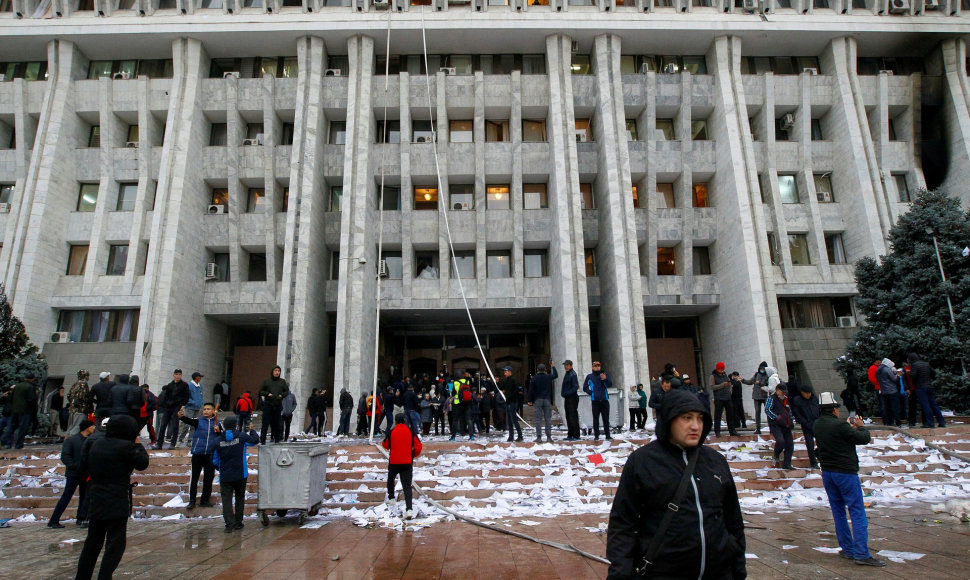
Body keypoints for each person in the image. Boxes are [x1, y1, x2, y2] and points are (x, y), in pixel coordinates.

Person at [606, 389, 746, 579]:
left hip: (718, 572)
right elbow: (622, 524)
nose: (695, 426)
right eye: (687, 418)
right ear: (669, 420)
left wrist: (737, 569)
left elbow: (733, 521)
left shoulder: (715, 461)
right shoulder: (643, 461)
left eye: (700, 418)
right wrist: (621, 573)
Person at [814, 391, 886, 567]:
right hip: (845, 472)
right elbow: (863, 438)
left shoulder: (817, 425)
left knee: (838, 512)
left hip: (828, 472)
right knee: (856, 511)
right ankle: (861, 553)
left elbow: (834, 439)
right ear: (833, 410)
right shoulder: (840, 426)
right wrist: (860, 427)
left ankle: (847, 548)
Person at [74, 414, 150, 580]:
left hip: (96, 497)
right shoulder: (126, 447)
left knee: (92, 542)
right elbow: (142, 463)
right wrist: (138, 444)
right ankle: (104, 576)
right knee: (115, 544)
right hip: (117, 499)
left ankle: (82, 576)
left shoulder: (96, 444)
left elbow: (83, 467)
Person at [212, 415, 259, 533]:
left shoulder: (218, 440)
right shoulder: (241, 437)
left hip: (225, 475)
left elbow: (215, 459)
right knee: (239, 497)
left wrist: (219, 468)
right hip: (240, 473)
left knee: (226, 499)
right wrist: (252, 430)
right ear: (236, 425)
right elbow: (254, 440)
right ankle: (238, 522)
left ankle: (229, 524)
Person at [48, 419, 96, 528]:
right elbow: (65, 456)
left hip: (85, 473)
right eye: (93, 426)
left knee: (84, 497)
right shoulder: (72, 440)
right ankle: (54, 520)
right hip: (74, 473)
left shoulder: (89, 440)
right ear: (87, 427)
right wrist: (75, 466)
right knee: (67, 496)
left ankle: (81, 518)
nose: (94, 428)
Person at [178, 402, 221, 509]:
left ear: (213, 411)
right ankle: (192, 500)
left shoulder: (217, 423)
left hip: (210, 454)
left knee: (208, 478)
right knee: (194, 478)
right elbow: (188, 420)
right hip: (198, 453)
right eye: (204, 409)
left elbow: (222, 437)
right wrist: (181, 416)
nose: (206, 411)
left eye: (208, 409)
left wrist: (218, 431)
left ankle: (204, 500)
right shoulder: (198, 421)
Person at [381, 412, 423, 519]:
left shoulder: (391, 432)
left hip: (394, 461)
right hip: (407, 462)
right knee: (407, 486)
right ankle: (409, 509)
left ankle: (391, 498)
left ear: (395, 421)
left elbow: (385, 444)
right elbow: (418, 446)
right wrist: (413, 454)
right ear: (405, 421)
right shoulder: (410, 431)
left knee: (391, 479)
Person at [907, 353, 946, 428]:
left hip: (921, 387)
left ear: (910, 359)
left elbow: (913, 376)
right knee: (934, 404)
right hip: (929, 386)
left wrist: (909, 373)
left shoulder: (914, 365)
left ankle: (930, 423)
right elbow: (934, 373)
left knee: (925, 405)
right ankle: (942, 422)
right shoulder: (926, 364)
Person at [155, 369, 189, 450]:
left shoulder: (184, 385)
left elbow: (186, 396)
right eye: (176, 374)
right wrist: (165, 405)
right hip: (168, 407)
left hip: (177, 407)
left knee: (175, 426)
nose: (178, 376)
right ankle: (159, 444)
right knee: (163, 426)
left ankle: (172, 444)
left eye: (179, 374)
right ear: (174, 375)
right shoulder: (170, 385)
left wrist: (183, 405)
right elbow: (166, 396)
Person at [765, 383, 794, 470]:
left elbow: (789, 411)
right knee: (780, 441)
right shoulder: (771, 398)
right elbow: (767, 409)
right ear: (777, 391)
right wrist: (777, 417)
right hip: (776, 425)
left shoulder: (786, 399)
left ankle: (787, 464)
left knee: (790, 445)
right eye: (782, 392)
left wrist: (791, 421)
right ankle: (776, 454)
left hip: (786, 425)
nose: (784, 394)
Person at [791, 384, 821, 470]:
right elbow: (797, 413)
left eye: (809, 393)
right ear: (802, 393)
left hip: (817, 424)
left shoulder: (814, 399)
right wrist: (804, 422)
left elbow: (819, 410)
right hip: (806, 425)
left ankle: (820, 458)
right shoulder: (797, 400)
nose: (808, 395)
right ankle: (813, 462)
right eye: (806, 393)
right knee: (810, 444)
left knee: (821, 443)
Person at [528, 362, 558, 443]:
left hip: (538, 400)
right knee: (548, 419)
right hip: (547, 399)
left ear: (537, 370)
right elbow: (556, 375)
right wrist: (553, 366)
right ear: (545, 370)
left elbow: (531, 390)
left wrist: (529, 400)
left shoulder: (534, 378)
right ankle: (548, 437)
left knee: (538, 419)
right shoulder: (548, 377)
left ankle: (539, 437)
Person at [258, 366, 288, 444]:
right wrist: (267, 394)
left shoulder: (282, 382)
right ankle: (263, 440)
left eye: (278, 371)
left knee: (277, 424)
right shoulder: (267, 381)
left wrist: (282, 395)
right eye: (275, 370)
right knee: (265, 424)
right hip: (268, 405)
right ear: (272, 371)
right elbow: (260, 391)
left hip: (278, 405)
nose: (277, 372)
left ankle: (277, 440)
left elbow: (286, 391)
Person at [583, 361, 612, 441]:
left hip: (604, 400)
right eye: (595, 366)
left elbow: (610, 384)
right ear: (592, 367)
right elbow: (585, 387)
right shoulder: (589, 376)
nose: (597, 367)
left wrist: (605, 379)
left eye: (599, 366)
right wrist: (591, 393)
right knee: (596, 419)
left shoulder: (604, 375)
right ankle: (596, 435)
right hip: (595, 401)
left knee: (606, 418)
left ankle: (608, 435)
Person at [7, 373, 38, 449]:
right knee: (22, 428)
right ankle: (18, 444)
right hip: (25, 411)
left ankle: (7, 444)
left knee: (12, 427)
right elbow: (31, 400)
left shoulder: (17, 386)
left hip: (15, 411)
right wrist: (34, 412)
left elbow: (10, 398)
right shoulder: (31, 387)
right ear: (32, 379)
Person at [709, 362, 738, 438]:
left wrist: (729, 386)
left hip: (727, 398)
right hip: (719, 398)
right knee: (718, 416)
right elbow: (712, 387)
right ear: (717, 369)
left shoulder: (725, 375)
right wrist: (722, 385)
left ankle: (732, 431)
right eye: (720, 369)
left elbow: (729, 384)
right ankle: (717, 432)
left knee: (730, 415)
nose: (722, 371)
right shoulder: (713, 376)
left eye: (723, 369)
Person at [177, 372, 205, 447]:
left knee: (194, 424)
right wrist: (192, 402)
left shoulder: (200, 386)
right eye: (199, 376)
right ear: (196, 377)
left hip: (197, 408)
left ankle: (190, 440)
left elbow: (201, 395)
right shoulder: (189, 385)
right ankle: (180, 439)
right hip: (190, 407)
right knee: (186, 424)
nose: (200, 378)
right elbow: (185, 396)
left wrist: (201, 403)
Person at [741, 362, 769, 434]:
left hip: (765, 396)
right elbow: (750, 381)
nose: (762, 370)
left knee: (768, 412)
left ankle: (771, 427)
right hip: (756, 396)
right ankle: (758, 428)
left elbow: (767, 385)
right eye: (761, 368)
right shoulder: (757, 374)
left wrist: (759, 383)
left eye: (763, 369)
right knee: (757, 412)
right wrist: (742, 380)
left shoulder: (768, 376)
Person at [874, 358, 901, 427]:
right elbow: (894, 379)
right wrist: (898, 375)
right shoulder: (887, 369)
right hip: (892, 391)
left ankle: (888, 422)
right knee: (895, 407)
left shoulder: (878, 370)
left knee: (887, 407)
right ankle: (898, 422)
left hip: (883, 391)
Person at [66, 370, 94, 436]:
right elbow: (82, 396)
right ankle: (73, 443)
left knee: (70, 427)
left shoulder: (75, 384)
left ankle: (67, 441)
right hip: (80, 409)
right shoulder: (83, 384)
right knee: (76, 427)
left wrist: (72, 403)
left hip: (72, 409)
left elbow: (68, 395)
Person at [500, 366, 523, 442]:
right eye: (504, 372)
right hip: (508, 402)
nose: (504, 373)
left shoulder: (514, 379)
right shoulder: (506, 380)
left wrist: (510, 396)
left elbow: (516, 390)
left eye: (506, 371)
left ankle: (520, 435)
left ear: (510, 371)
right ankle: (511, 436)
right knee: (509, 420)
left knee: (514, 419)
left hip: (513, 402)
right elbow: (503, 387)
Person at [560, 360, 581, 441]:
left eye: (567, 365)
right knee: (568, 417)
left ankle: (576, 435)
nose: (566, 367)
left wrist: (567, 393)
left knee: (573, 417)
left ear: (571, 365)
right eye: (565, 365)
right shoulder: (568, 373)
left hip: (572, 398)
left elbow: (575, 386)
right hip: (568, 398)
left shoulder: (573, 374)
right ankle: (570, 434)